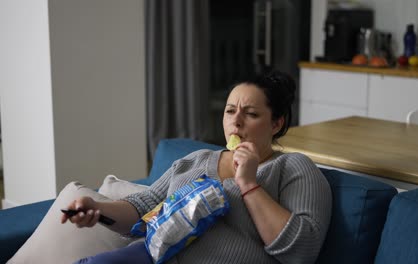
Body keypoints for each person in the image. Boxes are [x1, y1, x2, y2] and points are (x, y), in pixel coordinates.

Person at [62, 70, 332, 264]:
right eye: (229, 111)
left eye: (251, 114)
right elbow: (144, 208)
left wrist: (249, 184)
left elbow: (302, 250)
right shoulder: (197, 159)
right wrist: (98, 210)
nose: (235, 122)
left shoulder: (293, 167)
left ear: (276, 124)